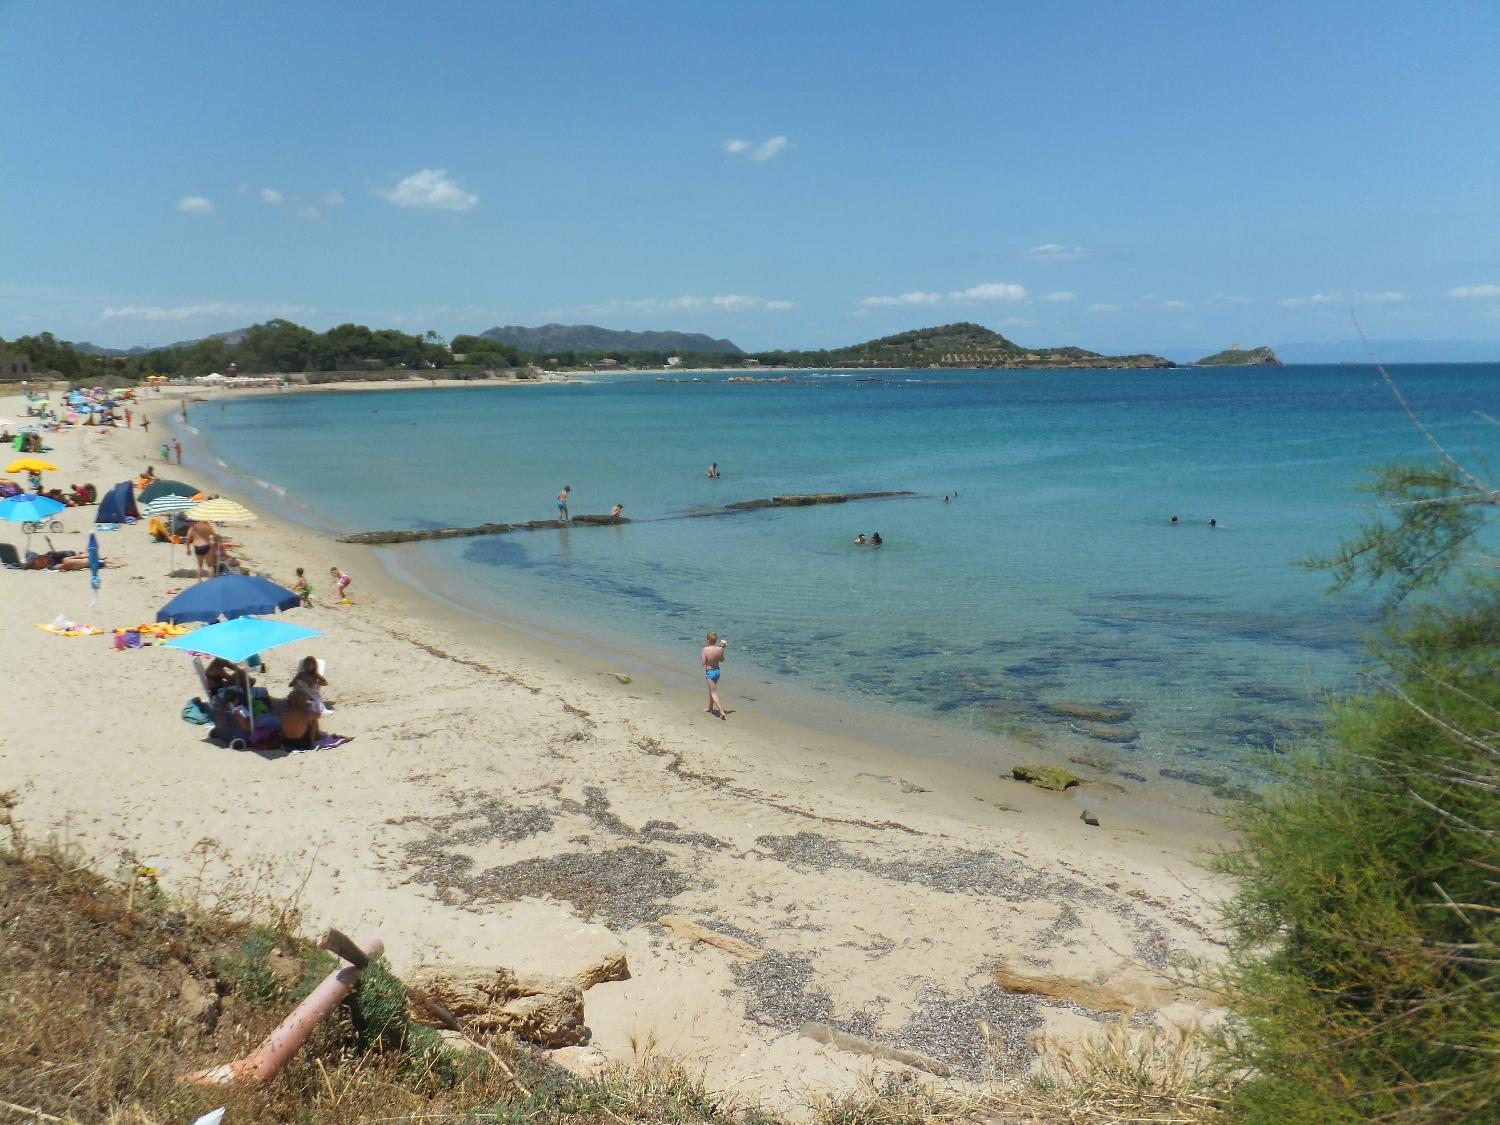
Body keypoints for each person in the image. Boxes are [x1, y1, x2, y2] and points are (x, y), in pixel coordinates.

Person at [701, 631, 729, 719]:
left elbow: (703, 662)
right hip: (717, 671)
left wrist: (702, 657)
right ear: (715, 641)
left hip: (710, 672)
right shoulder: (720, 649)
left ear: (708, 640)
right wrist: (722, 650)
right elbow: (722, 660)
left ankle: (721, 712)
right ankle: (710, 708)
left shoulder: (705, 649)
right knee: (711, 690)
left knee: (713, 692)